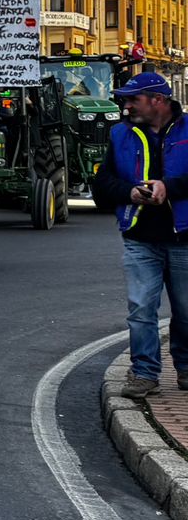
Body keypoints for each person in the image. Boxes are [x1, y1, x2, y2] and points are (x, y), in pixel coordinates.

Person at [94, 71, 188, 398]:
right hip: (139, 238)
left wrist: (169, 187)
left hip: (183, 237)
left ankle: (186, 368)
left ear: (157, 100)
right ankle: (144, 373)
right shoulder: (121, 134)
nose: (127, 105)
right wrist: (130, 193)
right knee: (140, 309)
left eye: (134, 99)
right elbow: (102, 185)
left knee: (186, 309)